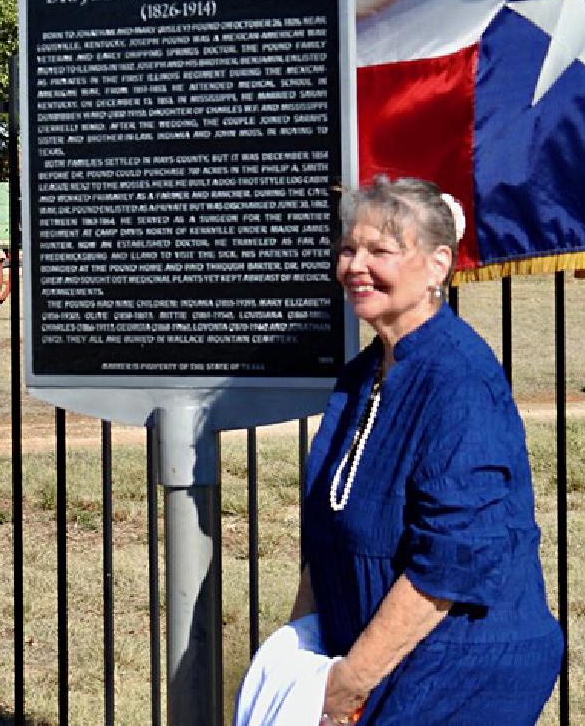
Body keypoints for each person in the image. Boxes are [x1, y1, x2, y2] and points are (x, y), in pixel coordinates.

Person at [235, 176, 563, 726]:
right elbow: (328, 529)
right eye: (348, 249)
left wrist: (348, 685)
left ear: (438, 265)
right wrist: (304, 658)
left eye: (381, 251)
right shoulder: (363, 376)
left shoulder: (458, 380)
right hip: (376, 661)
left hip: (459, 666)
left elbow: (449, 562)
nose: (356, 265)